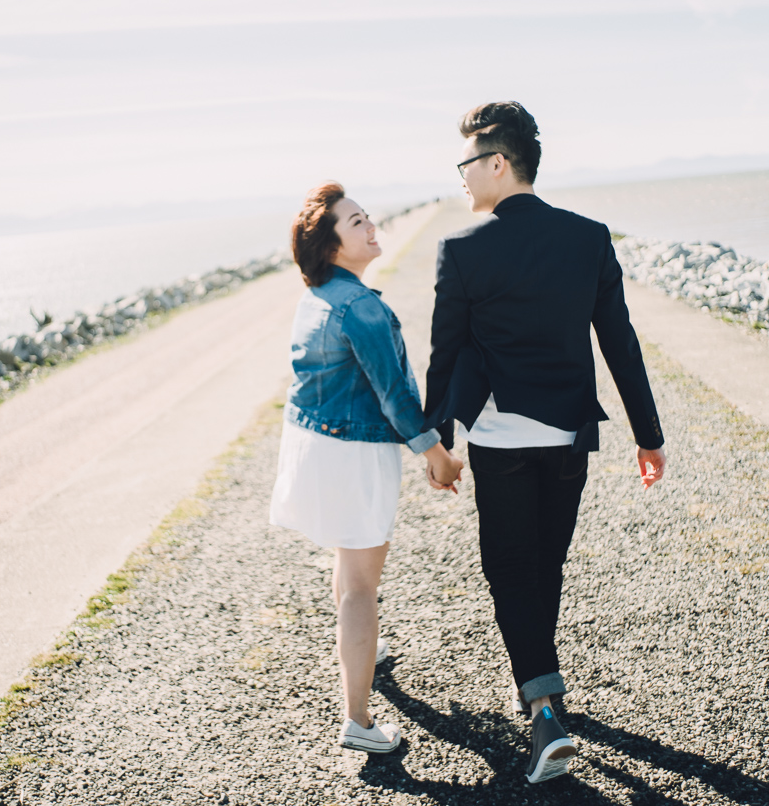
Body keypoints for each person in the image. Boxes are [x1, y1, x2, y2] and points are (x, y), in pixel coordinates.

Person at [424, 102, 667, 784]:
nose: (462, 179)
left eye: (467, 164)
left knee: (508, 570)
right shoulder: (588, 237)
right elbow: (620, 343)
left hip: (500, 440)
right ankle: (541, 681)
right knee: (545, 564)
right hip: (568, 438)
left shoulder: (463, 248)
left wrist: (437, 442)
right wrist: (649, 436)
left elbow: (444, 356)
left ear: (498, 163)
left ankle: (545, 711)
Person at [270, 181, 465, 754]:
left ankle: (366, 650)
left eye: (366, 216)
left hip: (315, 446)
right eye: (356, 222)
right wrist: (440, 458)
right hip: (351, 455)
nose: (371, 225)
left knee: (348, 562)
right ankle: (357, 719)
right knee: (361, 585)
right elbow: (396, 397)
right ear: (331, 246)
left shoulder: (319, 296)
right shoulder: (361, 306)